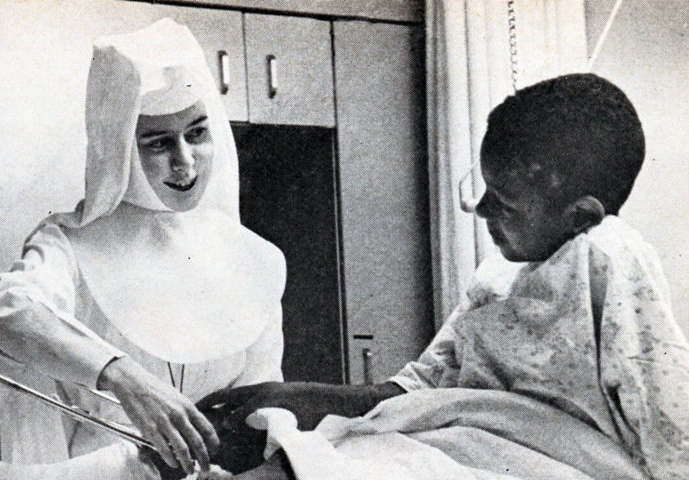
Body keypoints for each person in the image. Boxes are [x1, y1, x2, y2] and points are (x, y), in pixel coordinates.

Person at [199, 73, 689, 479]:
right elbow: (412, 389)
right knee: (307, 459)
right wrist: (290, 395)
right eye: (484, 188)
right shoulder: (498, 276)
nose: (479, 209)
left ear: (581, 216)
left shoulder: (608, 256)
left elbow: (670, 417)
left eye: (505, 202)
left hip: (558, 462)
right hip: (461, 442)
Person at [0, 18, 286, 476]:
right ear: (120, 147)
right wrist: (124, 377)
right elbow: (6, 314)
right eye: (158, 142)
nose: (184, 161)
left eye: (197, 133)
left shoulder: (257, 258)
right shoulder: (69, 243)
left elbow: (262, 410)